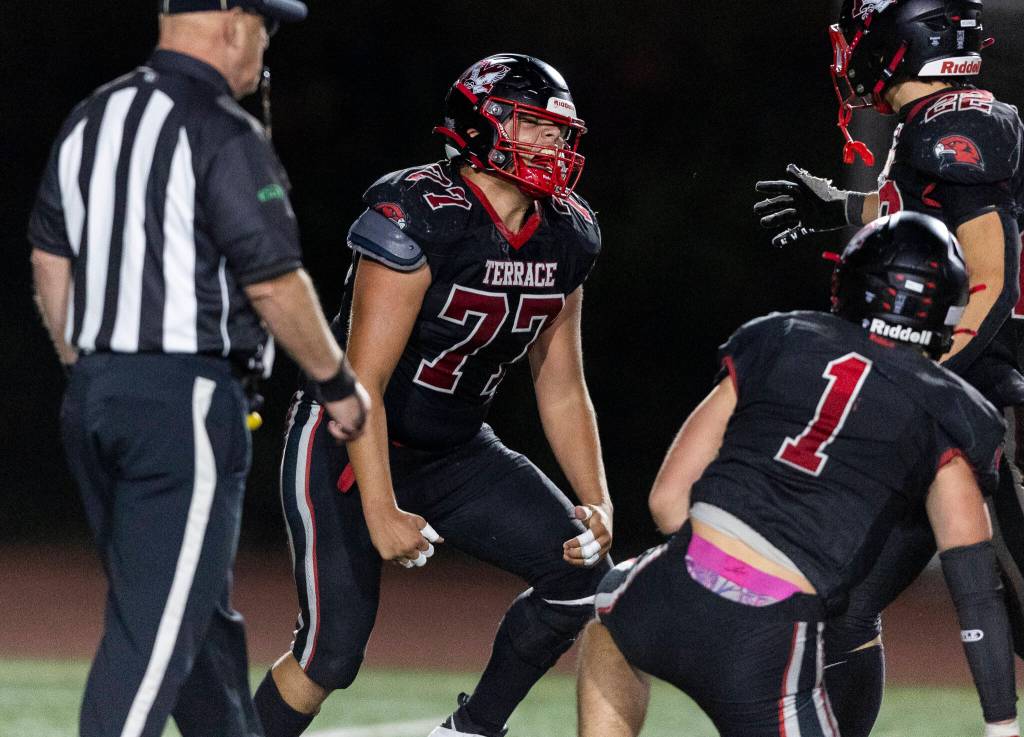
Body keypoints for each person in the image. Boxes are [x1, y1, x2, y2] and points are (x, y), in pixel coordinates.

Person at [27, 2, 369, 736]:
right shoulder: (219, 126)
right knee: (151, 635)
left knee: (194, 614)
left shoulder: (93, 114)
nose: (265, 50)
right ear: (235, 22)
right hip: (181, 401)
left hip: (94, 396)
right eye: (266, 28)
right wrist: (338, 385)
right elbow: (274, 281)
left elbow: (49, 257)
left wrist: (88, 365)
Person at [251, 53, 614, 737]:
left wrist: (595, 494)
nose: (552, 144)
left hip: (454, 448)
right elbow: (364, 381)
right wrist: (381, 505)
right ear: (480, 126)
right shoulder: (420, 212)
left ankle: (470, 730)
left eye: (560, 131)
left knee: (585, 576)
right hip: (348, 439)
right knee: (331, 653)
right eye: (534, 125)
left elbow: (561, 382)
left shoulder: (568, 231)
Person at [577, 212, 1018, 737]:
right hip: (768, 638)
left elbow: (667, 504)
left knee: (611, 613)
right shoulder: (954, 412)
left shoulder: (779, 336)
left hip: (668, 594)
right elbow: (975, 592)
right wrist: (1002, 724)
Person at [753, 1, 1024, 733]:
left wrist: (913, 388)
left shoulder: (953, 127)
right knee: (843, 595)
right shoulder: (942, 122)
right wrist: (845, 207)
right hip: (967, 395)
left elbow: (990, 280)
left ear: (899, 45)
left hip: (992, 398)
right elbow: (932, 210)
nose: (852, 51)